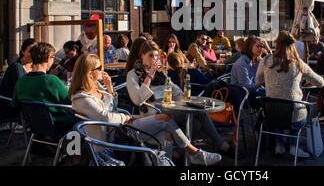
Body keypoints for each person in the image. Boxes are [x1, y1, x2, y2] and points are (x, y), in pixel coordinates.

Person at [70, 53, 221, 165]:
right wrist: (128, 117)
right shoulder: (81, 98)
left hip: (122, 127)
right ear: (89, 73)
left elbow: (112, 108)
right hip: (116, 137)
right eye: (99, 67)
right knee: (166, 120)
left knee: (168, 130)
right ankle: (194, 153)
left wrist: (110, 89)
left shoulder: (97, 88)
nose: (103, 70)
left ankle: (177, 159)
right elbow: (107, 118)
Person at [125, 41, 233, 158]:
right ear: (142, 55)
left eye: (156, 55)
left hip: (168, 108)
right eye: (151, 55)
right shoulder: (133, 74)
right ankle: (220, 146)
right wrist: (149, 75)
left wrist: (184, 98)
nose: (154, 58)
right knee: (197, 115)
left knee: (196, 119)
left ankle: (179, 154)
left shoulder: (160, 73)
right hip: (152, 114)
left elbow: (174, 89)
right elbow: (137, 100)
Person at [255, 31, 324, 158]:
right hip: (294, 114)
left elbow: (258, 80)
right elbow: (321, 82)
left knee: (277, 108)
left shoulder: (265, 61)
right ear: (293, 45)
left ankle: (278, 145)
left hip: (271, 113)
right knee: (297, 111)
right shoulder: (298, 64)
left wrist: (272, 79)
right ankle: (293, 147)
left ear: (276, 43)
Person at [11, 42, 75, 132]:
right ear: (48, 58)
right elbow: (70, 104)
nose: (53, 61)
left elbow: (15, 105)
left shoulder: (21, 81)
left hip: (34, 127)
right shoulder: (51, 80)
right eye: (53, 58)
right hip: (59, 125)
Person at [230, 35, 266, 107]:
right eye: (257, 46)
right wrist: (260, 82)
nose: (260, 49)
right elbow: (247, 88)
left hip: (254, 91)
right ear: (250, 47)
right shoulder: (242, 63)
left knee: (274, 93)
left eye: (261, 46)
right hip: (242, 96)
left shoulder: (256, 60)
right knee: (271, 96)